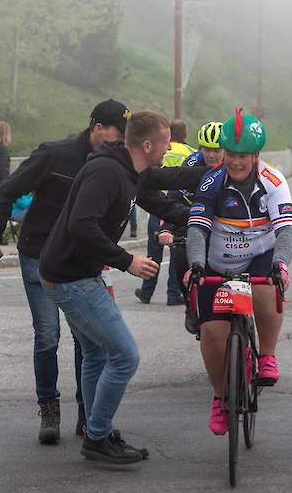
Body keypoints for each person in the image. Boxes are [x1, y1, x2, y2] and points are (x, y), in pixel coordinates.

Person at [39, 110, 193, 464]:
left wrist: (216, 178)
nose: (170, 148)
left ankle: (98, 429)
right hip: (71, 277)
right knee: (125, 355)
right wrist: (129, 261)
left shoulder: (129, 171)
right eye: (166, 142)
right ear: (148, 144)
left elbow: (168, 186)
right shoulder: (107, 173)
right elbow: (81, 225)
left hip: (72, 272)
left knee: (95, 355)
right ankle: (97, 437)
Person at [0, 100, 131, 444]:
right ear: (97, 128)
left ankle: (88, 414)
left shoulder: (112, 164)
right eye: (117, 134)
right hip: (38, 255)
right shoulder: (54, 155)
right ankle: (49, 408)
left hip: (81, 263)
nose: (121, 142)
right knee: (48, 336)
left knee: (88, 340)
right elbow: (6, 191)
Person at [185, 109, 292, 435]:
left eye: (243, 156)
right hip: (217, 261)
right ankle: (220, 398)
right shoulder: (211, 181)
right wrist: (196, 265)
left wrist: (281, 265)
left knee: (266, 289)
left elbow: (286, 231)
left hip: (260, 255)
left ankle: (267, 355)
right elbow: (196, 229)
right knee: (213, 335)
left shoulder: (273, 181)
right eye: (231, 154)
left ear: (256, 155)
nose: (235, 162)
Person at [158, 120, 225, 334]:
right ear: (200, 148)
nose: (212, 155)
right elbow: (174, 199)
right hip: (190, 220)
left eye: (217, 150)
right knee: (179, 257)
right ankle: (189, 303)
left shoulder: (235, 166)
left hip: (224, 223)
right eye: (207, 149)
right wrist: (167, 229)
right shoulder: (191, 164)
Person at [135, 119, 193, 306]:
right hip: (176, 205)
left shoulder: (160, 149)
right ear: (184, 134)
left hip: (156, 203)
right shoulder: (190, 153)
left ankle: (146, 291)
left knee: (154, 251)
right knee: (177, 250)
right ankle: (173, 294)